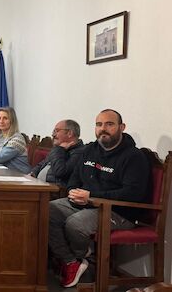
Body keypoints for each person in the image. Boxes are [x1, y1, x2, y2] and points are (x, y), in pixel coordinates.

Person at [48, 109, 150, 288]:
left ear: (122, 127)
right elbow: (74, 180)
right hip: (87, 204)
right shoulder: (89, 150)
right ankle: (72, 261)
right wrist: (73, 192)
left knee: (75, 224)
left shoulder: (134, 157)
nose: (103, 129)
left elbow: (133, 194)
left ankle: (85, 257)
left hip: (119, 211)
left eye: (109, 124)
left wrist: (91, 196)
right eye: (99, 124)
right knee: (47, 210)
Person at [30, 119, 85, 186]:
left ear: (69, 133)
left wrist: (59, 149)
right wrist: (32, 173)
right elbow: (41, 164)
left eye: (57, 131)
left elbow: (60, 172)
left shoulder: (80, 152)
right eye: (54, 131)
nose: (53, 135)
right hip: (40, 186)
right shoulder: (58, 149)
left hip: (55, 190)